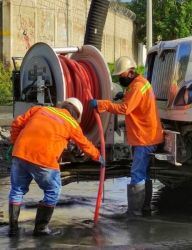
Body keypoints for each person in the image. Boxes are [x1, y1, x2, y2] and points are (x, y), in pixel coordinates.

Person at [8, 97, 103, 237]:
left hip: (20, 154)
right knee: (53, 191)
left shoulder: (40, 109)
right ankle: (41, 229)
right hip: (44, 159)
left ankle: (13, 229)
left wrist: (16, 142)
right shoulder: (72, 124)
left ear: (63, 105)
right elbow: (85, 145)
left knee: (17, 190)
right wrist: (98, 156)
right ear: (77, 115)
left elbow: (17, 124)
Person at [90, 56, 164, 217]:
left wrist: (102, 104)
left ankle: (134, 212)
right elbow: (135, 103)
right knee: (145, 173)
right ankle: (144, 208)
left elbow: (126, 109)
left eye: (121, 76)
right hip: (148, 135)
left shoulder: (137, 87)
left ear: (130, 73)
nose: (120, 78)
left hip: (144, 137)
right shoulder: (140, 84)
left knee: (137, 173)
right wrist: (123, 96)